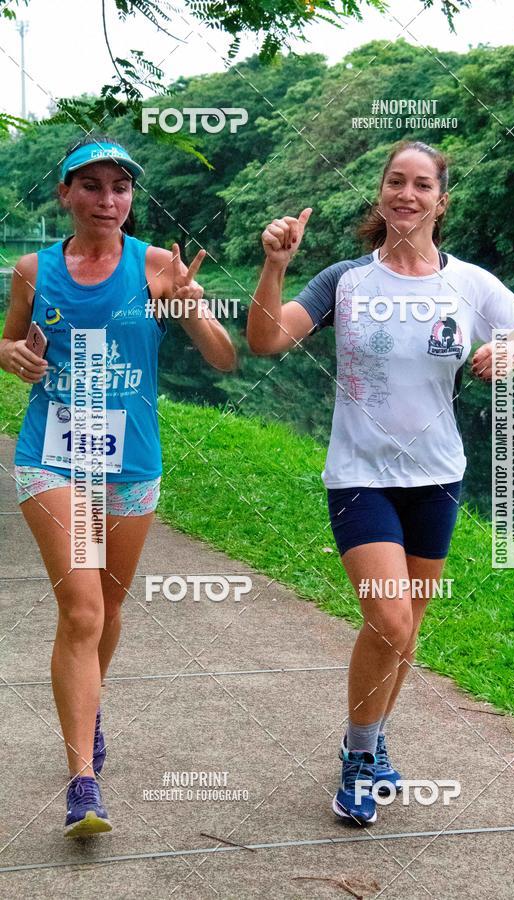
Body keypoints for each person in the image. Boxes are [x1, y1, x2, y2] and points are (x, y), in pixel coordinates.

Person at [247, 139, 514, 825]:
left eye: (422, 185)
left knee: (407, 628)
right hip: (359, 475)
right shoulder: (346, 281)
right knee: (388, 617)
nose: (407, 194)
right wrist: (274, 267)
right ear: (381, 192)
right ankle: (359, 755)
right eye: (396, 181)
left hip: (437, 476)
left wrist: (512, 349)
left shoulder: (470, 284)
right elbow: (267, 340)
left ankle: (375, 739)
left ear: (440, 201)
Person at [0, 133, 236, 837]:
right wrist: (12, 356)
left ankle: (89, 702)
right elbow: (10, 343)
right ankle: (83, 784)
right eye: (92, 185)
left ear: (132, 197)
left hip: (130, 462)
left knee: (107, 606)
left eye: (121, 187)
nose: (108, 200)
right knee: (81, 610)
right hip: (54, 457)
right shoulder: (33, 270)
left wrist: (188, 306)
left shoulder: (158, 266)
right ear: (65, 193)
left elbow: (224, 360)